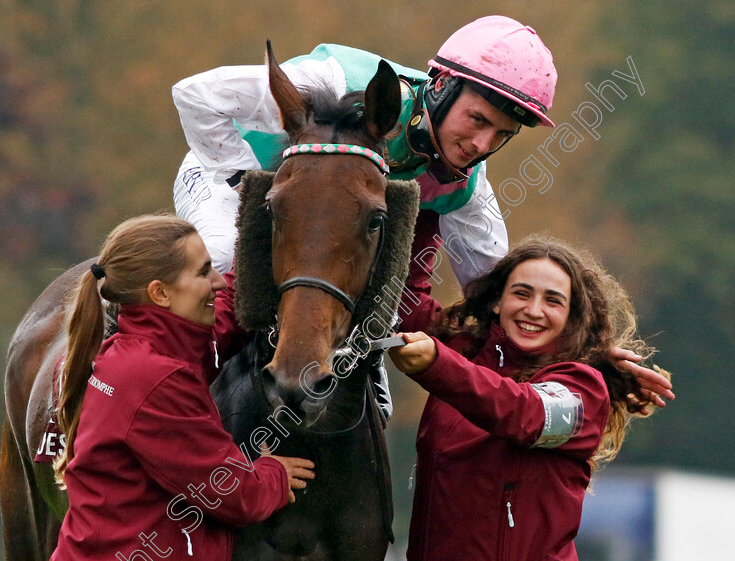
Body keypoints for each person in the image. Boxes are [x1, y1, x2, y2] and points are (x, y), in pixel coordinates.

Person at [170, 15, 673, 414]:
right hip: (229, 178)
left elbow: (494, 300)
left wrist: (588, 359)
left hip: (337, 231)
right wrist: (246, 192)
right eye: (477, 120)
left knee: (380, 307)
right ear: (442, 87)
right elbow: (193, 95)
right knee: (217, 260)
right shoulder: (333, 79)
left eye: (500, 135)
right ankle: (155, 382)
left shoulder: (469, 190)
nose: (481, 146)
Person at [388, 234, 670, 561]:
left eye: (553, 301)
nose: (533, 310)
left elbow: (526, 413)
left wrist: (438, 365)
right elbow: (404, 297)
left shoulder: (586, 389)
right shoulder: (461, 352)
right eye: (521, 293)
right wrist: (430, 205)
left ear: (572, 318)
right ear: (497, 301)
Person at [51, 215, 315, 561]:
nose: (218, 281)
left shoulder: (136, 353)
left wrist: (262, 253)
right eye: (204, 272)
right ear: (160, 292)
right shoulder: (154, 378)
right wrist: (275, 475)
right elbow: (232, 493)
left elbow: (217, 326)